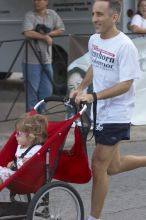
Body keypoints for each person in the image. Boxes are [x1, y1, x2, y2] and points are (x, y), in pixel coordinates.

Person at [70, 1, 146, 220]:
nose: (94, 19)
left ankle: (93, 217)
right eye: (93, 13)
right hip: (100, 111)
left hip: (118, 113)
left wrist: (93, 96)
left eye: (100, 14)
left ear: (114, 17)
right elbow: (95, 65)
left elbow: (126, 84)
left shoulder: (125, 46)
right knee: (114, 166)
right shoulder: (95, 40)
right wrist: (81, 87)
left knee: (98, 165)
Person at [22, 0, 65, 112]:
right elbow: (27, 32)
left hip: (47, 59)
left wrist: (47, 33)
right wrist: (45, 37)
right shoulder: (29, 15)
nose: (36, 2)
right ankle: (31, 119)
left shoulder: (52, 14)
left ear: (46, 1)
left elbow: (61, 29)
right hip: (31, 61)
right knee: (32, 91)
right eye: (34, 0)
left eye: (40, 0)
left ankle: (40, 116)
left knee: (47, 89)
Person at [0, 113, 48, 185]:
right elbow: (18, 161)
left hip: (23, 178)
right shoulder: (20, 146)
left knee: (1, 175)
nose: (15, 136)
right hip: (14, 173)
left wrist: (29, 162)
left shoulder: (36, 149)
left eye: (18, 134)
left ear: (30, 136)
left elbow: (36, 165)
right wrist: (13, 164)